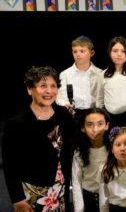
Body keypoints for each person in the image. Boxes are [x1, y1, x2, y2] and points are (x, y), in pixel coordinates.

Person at [2, 66, 75, 212]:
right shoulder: (16, 123)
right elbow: (10, 165)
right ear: (30, 89)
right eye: (43, 86)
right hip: (32, 191)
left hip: (61, 187)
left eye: (53, 86)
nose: (49, 91)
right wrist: (17, 199)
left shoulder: (64, 115)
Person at [96, 36, 126, 127]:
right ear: (109, 53)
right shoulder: (102, 74)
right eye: (115, 51)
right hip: (110, 118)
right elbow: (99, 99)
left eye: (123, 51)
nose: (119, 54)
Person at [72, 108, 110, 212]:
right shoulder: (79, 153)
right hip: (89, 198)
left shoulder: (113, 150)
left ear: (107, 125)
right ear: (83, 128)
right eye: (89, 125)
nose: (95, 129)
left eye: (100, 124)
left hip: (110, 198)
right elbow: (76, 183)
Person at [56, 35, 102, 121]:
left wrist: (98, 114)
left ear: (92, 53)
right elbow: (60, 98)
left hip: (94, 114)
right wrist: (66, 105)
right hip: (73, 115)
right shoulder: (65, 74)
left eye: (82, 51)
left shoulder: (100, 74)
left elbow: (101, 98)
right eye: (75, 51)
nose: (78, 54)